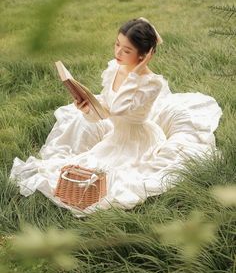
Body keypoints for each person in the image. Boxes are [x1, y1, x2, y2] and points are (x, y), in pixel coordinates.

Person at [10, 17, 223, 218]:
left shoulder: (151, 83)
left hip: (138, 141)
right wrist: (86, 107)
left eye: (127, 49)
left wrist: (135, 73)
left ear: (143, 54)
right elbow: (106, 113)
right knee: (83, 165)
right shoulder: (114, 68)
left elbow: (120, 108)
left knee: (116, 179)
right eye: (117, 44)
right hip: (116, 135)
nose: (118, 52)